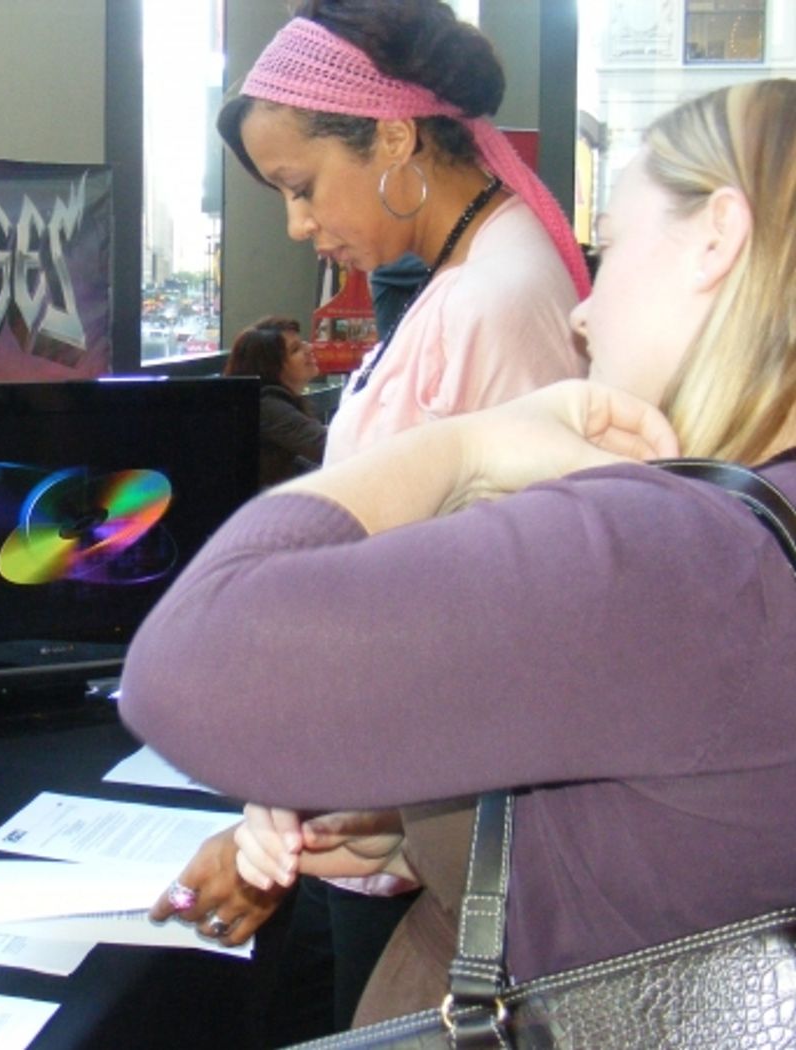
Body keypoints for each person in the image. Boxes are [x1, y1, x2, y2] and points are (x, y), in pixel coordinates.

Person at [123, 77, 796, 1025]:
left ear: (716, 240)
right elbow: (676, 832)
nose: (582, 312)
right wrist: (425, 837)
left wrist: (471, 445)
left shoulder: (679, 550)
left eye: (615, 253)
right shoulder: (742, 537)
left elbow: (183, 667)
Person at [153, 1, 590, 1034]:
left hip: (407, 818)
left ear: (391, 136)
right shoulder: (465, 280)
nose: (299, 227)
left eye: (300, 189)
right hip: (377, 807)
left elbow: (493, 622)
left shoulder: (489, 301)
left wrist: (295, 807)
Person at [223, 319, 326, 488]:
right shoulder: (268, 407)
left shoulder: (268, 402)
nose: (309, 348)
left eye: (302, 343)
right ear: (272, 367)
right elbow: (327, 447)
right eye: (295, 349)